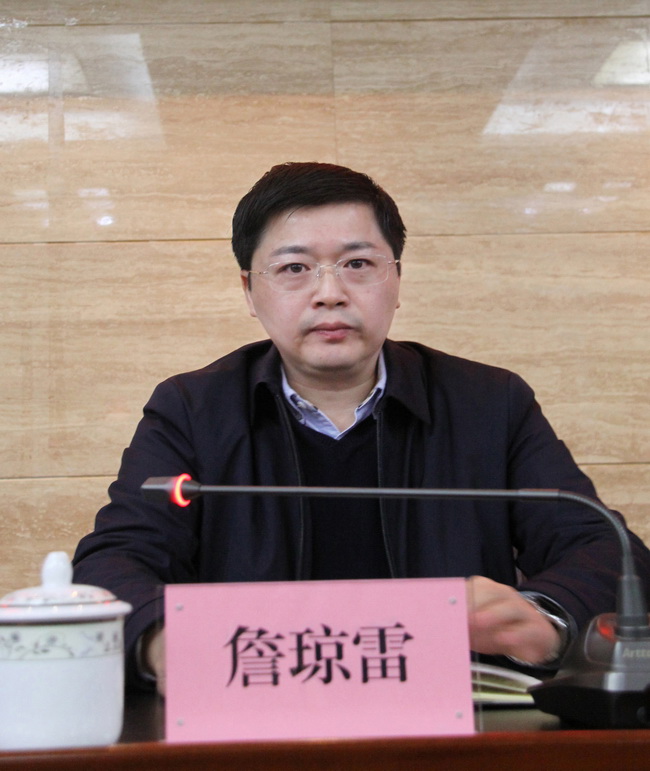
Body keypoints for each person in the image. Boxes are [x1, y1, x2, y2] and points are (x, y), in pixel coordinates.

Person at [73, 161, 650, 695]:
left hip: (456, 721)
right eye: (294, 268)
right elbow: (115, 559)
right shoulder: (192, 409)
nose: (330, 294)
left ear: (396, 280)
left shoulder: (489, 403)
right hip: (255, 717)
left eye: (357, 264)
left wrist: (547, 618)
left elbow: (606, 549)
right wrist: (161, 641)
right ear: (249, 291)